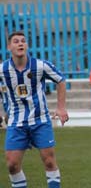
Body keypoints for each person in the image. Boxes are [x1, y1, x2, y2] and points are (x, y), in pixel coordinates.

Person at [0, 31, 69, 188]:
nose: (20, 43)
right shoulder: (3, 69)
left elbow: (61, 80)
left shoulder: (40, 65)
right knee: (12, 165)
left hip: (40, 120)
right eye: (16, 41)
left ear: (27, 45)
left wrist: (61, 108)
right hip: (16, 122)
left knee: (50, 161)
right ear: (9, 46)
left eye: (23, 41)